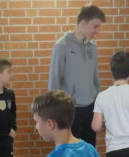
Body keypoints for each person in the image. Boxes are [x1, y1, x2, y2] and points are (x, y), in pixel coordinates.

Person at [49, 5, 105, 146]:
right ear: (82, 23)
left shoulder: (92, 47)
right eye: (95, 26)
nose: (97, 31)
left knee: (89, 151)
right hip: (70, 111)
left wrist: (99, 108)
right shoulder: (62, 46)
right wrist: (55, 114)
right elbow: (54, 82)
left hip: (90, 110)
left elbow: (95, 81)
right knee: (72, 153)